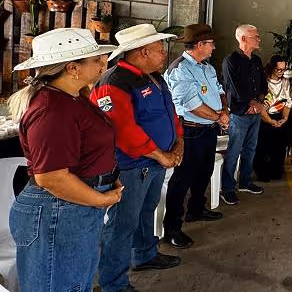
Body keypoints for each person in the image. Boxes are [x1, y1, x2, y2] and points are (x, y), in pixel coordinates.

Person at [7, 28, 120, 292]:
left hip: (73, 204)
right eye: (95, 59)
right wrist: (101, 199)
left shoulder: (71, 98)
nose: (104, 63)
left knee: (74, 280)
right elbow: (52, 178)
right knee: (59, 283)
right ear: (72, 68)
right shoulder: (52, 109)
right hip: (58, 207)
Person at [91, 24, 184, 291]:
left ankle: (145, 255)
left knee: (146, 212)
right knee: (123, 224)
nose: (163, 54)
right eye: (158, 50)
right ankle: (113, 283)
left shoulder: (154, 76)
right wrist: (161, 155)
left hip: (156, 161)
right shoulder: (114, 81)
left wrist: (178, 143)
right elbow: (123, 131)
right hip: (132, 166)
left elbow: (170, 112)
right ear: (143, 52)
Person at [162, 24, 228, 249]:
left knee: (204, 172)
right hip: (190, 131)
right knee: (182, 180)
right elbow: (191, 105)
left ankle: (196, 210)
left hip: (208, 129)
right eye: (211, 43)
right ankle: (172, 228)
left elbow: (219, 91)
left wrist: (223, 112)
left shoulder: (206, 67)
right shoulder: (180, 70)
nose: (214, 47)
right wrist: (219, 117)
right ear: (199, 45)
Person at [220, 24, 267, 205]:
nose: (259, 38)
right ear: (243, 39)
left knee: (250, 149)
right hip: (240, 113)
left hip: (254, 113)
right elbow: (233, 88)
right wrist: (251, 104)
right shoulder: (230, 60)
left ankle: (245, 181)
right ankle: (227, 188)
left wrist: (259, 103)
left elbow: (262, 85)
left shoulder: (256, 61)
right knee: (233, 152)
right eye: (255, 36)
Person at [254, 55, 292, 181]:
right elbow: (259, 106)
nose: (281, 72)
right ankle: (262, 172)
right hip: (264, 118)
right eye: (279, 69)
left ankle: (276, 169)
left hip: (280, 117)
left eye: (283, 69)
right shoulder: (263, 82)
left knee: (279, 147)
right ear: (271, 68)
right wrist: (270, 121)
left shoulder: (285, 82)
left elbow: (288, 102)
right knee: (262, 147)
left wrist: (285, 118)